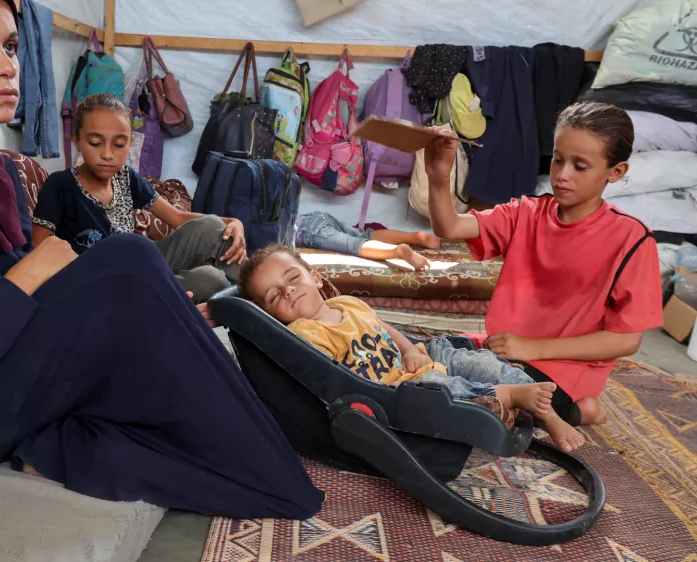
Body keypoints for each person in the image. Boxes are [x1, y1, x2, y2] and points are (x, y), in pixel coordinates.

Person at [0, 0, 323, 520]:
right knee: (129, 262)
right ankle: (268, 471)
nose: (7, 66)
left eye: (12, 46)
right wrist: (39, 270)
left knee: (140, 293)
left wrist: (106, 302)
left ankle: (279, 433)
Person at [427, 102, 663, 436]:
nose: (562, 175)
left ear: (616, 172)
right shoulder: (527, 212)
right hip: (504, 350)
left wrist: (532, 347)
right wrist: (438, 178)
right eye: (557, 159)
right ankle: (568, 410)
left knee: (472, 403)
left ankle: (577, 409)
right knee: (427, 359)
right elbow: (450, 227)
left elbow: (627, 339)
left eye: (580, 166)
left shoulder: (633, 240)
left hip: (564, 368)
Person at [238, 244, 586, 451]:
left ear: (314, 276)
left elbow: (386, 328)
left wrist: (409, 349)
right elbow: (328, 379)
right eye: (273, 297)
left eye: (292, 278)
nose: (288, 292)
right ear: (271, 316)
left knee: (459, 356)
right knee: (443, 391)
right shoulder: (305, 333)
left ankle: (531, 397)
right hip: (395, 388)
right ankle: (510, 396)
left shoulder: (346, 302)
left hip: (412, 361)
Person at [31, 93, 247, 303]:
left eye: (118, 145)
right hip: (100, 284)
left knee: (211, 225)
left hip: (139, 264)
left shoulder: (126, 177)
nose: (107, 154)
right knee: (211, 280)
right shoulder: (60, 185)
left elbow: (177, 218)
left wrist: (231, 223)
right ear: (77, 141)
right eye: (96, 143)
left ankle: (254, 303)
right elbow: (38, 250)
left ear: (130, 143)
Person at [295, 211, 438, 271]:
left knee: (354, 245)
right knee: (365, 234)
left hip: (308, 232)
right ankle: (414, 237)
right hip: (314, 216)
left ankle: (397, 251)